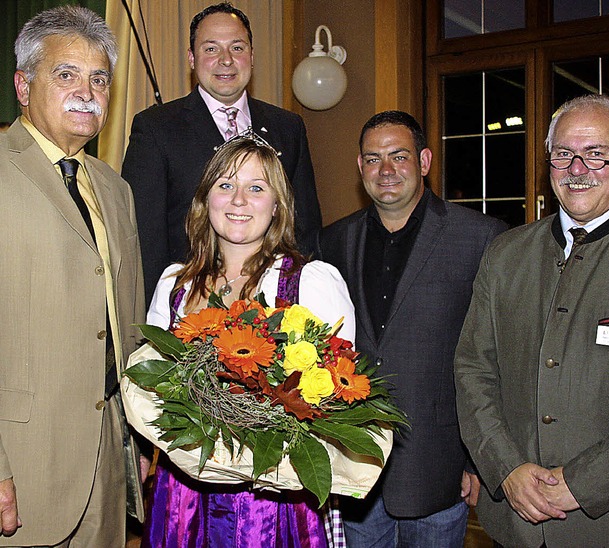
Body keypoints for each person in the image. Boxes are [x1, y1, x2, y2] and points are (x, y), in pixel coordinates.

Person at [140, 134, 354, 547]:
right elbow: (152, 389)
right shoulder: (174, 284)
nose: (239, 199)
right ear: (206, 201)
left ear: (277, 206)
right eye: (226, 185)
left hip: (273, 498)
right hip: (183, 494)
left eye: (256, 188)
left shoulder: (310, 282)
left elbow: (336, 400)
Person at [454, 93, 609, 547]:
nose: (578, 169)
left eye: (596, 153)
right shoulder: (505, 253)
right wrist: (507, 469)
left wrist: (584, 483)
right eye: (564, 154)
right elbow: (474, 369)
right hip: (512, 523)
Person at [314, 111, 507, 547]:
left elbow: (496, 358)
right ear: (359, 167)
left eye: (398, 156)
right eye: (373, 158)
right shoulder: (333, 241)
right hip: (356, 462)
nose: (385, 170)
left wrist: (479, 461)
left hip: (439, 467)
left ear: (424, 161)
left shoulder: (480, 237)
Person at [0, 5, 145, 546]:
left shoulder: (115, 189)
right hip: (23, 467)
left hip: (107, 464)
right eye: (67, 75)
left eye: (100, 78)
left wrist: (141, 439)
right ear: (23, 84)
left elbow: (126, 327)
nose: (88, 92)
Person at [121, 2, 322, 306]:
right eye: (211, 49)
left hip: (275, 310)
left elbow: (304, 225)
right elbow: (144, 239)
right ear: (192, 58)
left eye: (237, 48)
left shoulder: (288, 127)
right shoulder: (156, 128)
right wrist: (157, 319)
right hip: (191, 305)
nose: (226, 60)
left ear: (252, 57)